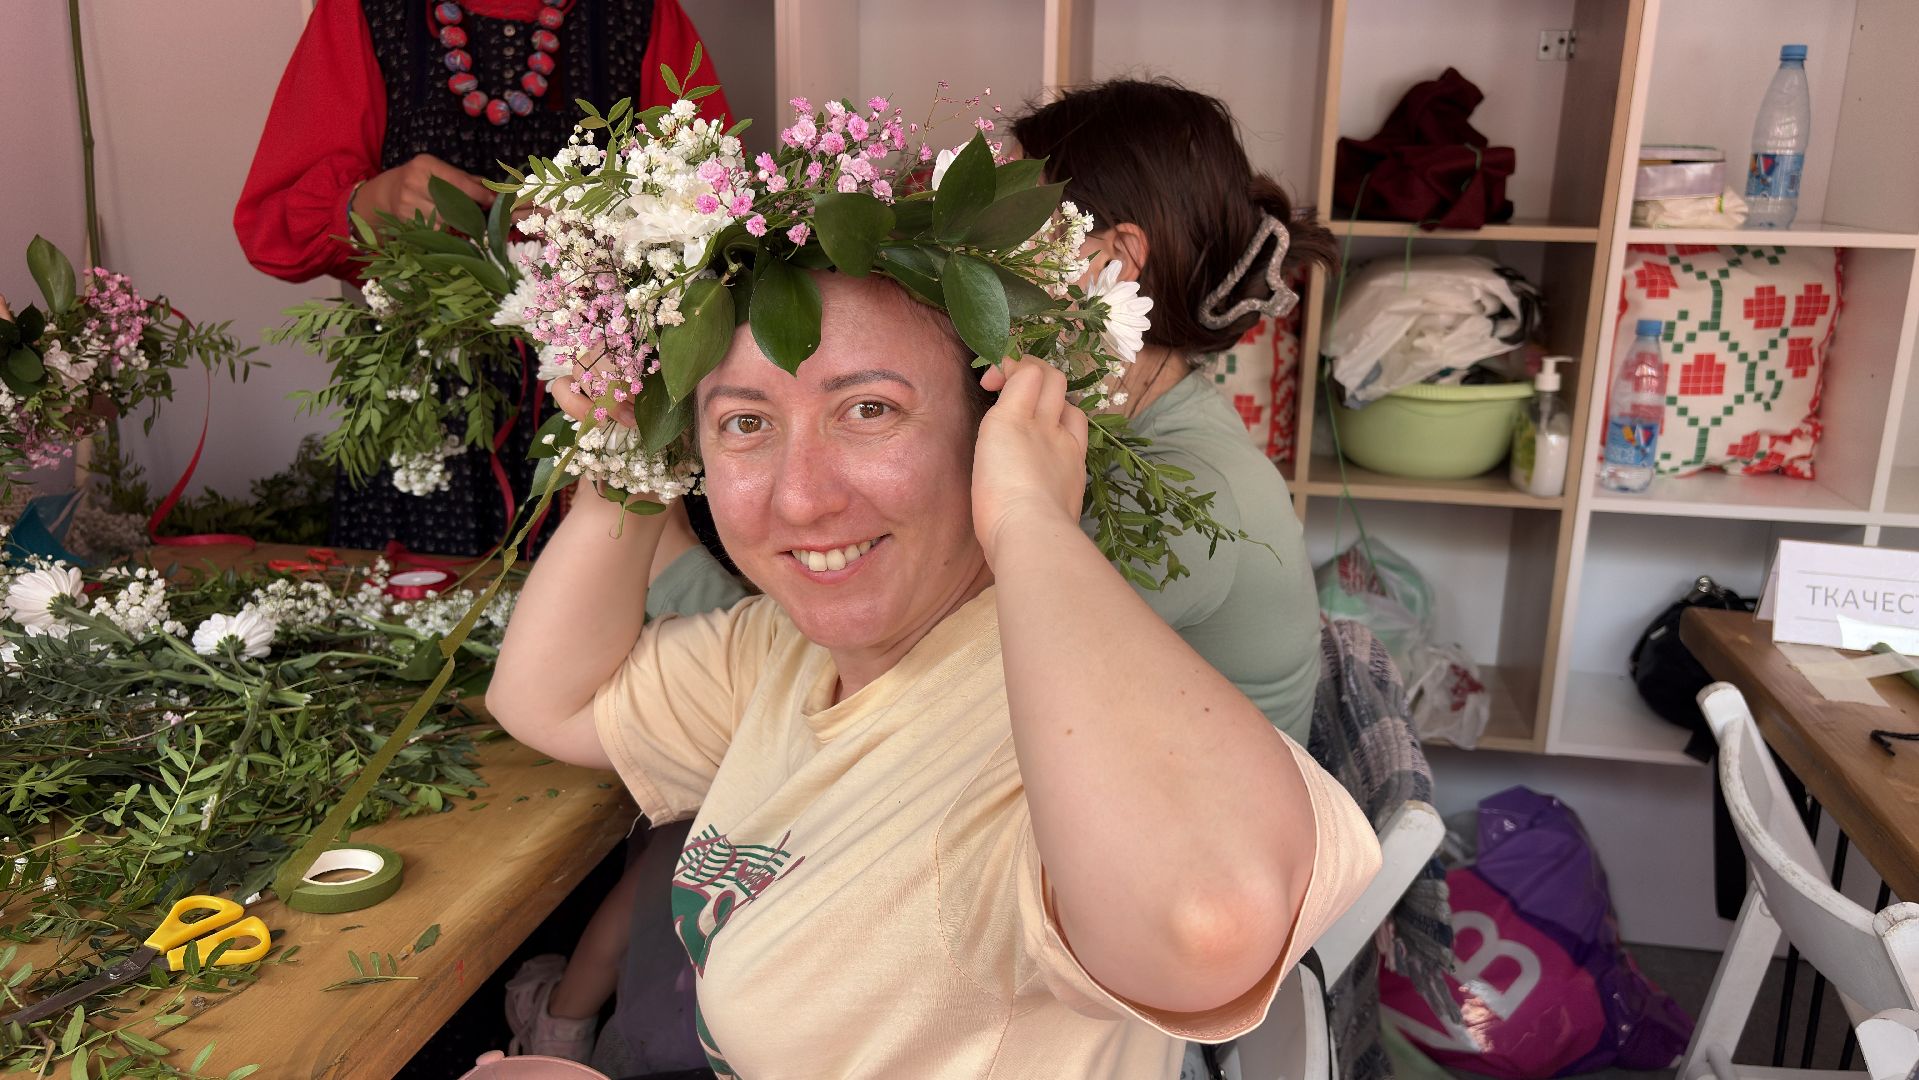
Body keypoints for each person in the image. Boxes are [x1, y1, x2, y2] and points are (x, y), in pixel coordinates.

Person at [489, 268, 1381, 1076]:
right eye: (745, 423)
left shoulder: (1042, 720)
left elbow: (1207, 926)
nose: (801, 495)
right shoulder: (789, 652)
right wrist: (623, 463)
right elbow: (546, 701)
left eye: (868, 409)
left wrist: (1031, 516)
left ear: (992, 432)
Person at [234, 0, 730, 556]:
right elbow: (269, 226)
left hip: (601, 388)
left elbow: (716, 209)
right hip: (427, 403)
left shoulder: (639, 14)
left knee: (608, 596)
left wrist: (617, 221)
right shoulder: (364, 11)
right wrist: (368, 204)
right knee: (429, 596)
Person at [1011, 77, 1335, 751]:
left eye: (1014, 221)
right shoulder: (1129, 410)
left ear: (1116, 257)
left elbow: (980, 686)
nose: (979, 250)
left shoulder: (1180, 491)